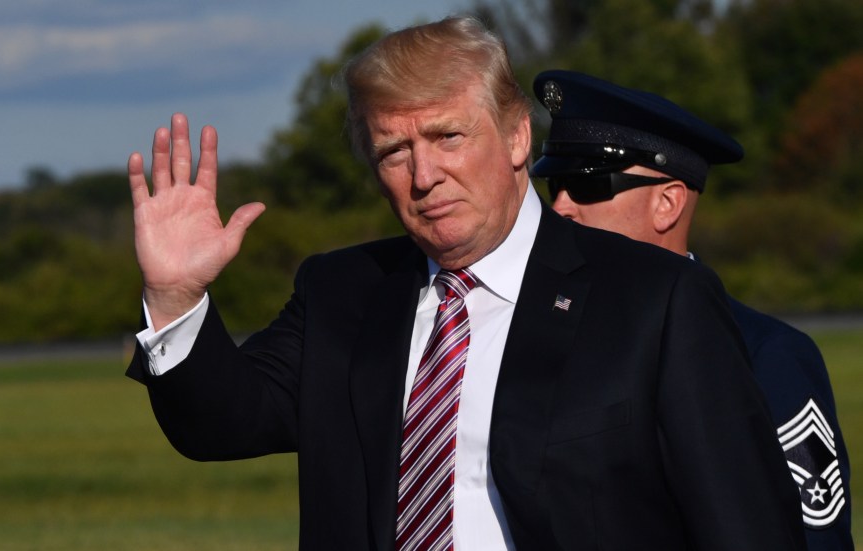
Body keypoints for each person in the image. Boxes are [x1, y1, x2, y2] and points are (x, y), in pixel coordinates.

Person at [126, 17, 806, 550]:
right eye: (395, 150)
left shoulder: (654, 300)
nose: (424, 175)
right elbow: (220, 421)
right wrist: (177, 296)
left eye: (449, 137)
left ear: (516, 138)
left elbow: (744, 528)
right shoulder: (343, 293)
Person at [531, 69, 852, 550]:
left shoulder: (766, 354)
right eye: (555, 186)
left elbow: (812, 540)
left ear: (668, 203)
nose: (561, 207)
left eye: (588, 186)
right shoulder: (538, 333)